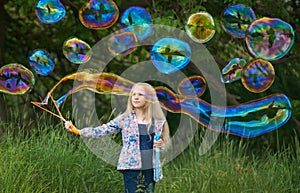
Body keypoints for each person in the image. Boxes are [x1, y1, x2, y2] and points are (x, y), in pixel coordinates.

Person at [65, 82, 170, 193]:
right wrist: (78, 131)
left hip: (150, 167)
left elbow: (160, 145)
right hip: (131, 166)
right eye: (133, 94)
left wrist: (161, 144)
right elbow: (103, 130)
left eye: (140, 95)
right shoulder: (124, 119)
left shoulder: (157, 122)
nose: (136, 97)